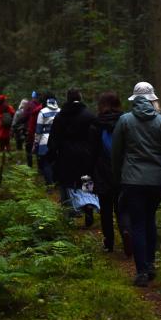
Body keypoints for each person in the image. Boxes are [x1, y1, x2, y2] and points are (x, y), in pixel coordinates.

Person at [112, 81, 161, 287]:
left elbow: (116, 153)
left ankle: (142, 271)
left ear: (134, 100)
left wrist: (116, 177)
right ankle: (151, 264)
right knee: (149, 220)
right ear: (153, 99)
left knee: (137, 223)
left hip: (132, 180)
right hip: (156, 181)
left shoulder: (125, 121)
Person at [89, 92, 131, 256]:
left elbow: (91, 152)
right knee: (122, 207)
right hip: (123, 171)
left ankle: (108, 243)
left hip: (102, 172)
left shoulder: (95, 125)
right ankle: (127, 231)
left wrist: (89, 173)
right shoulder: (126, 121)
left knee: (105, 209)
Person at [47, 88, 98, 227]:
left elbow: (53, 138)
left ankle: (67, 214)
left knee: (66, 183)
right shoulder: (89, 115)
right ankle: (89, 210)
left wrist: (52, 154)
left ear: (67, 98)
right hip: (85, 155)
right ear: (80, 98)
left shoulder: (60, 116)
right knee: (86, 179)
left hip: (66, 155)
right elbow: (96, 135)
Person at [34, 96, 60, 186]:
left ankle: (49, 184)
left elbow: (38, 130)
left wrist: (36, 143)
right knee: (56, 162)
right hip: (57, 141)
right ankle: (56, 183)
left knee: (45, 163)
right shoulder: (60, 111)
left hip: (44, 141)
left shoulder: (42, 112)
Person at [23, 91, 42, 167]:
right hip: (39, 130)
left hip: (30, 130)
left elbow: (24, 117)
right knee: (38, 149)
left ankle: (29, 167)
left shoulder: (28, 105)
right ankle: (39, 167)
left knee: (29, 148)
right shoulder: (41, 106)